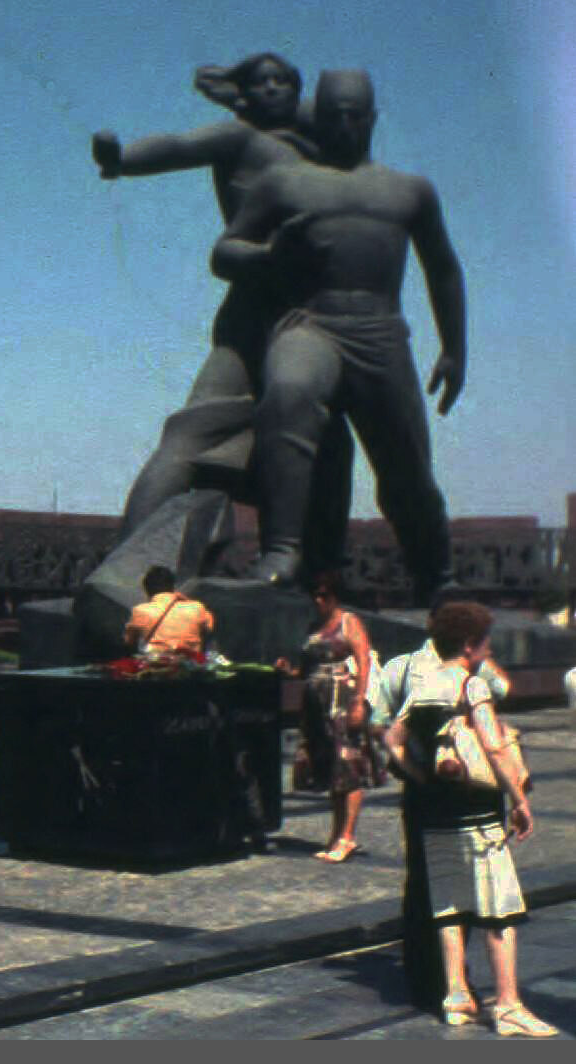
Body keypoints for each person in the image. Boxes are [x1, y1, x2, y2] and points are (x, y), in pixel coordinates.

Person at [93, 53, 354, 572]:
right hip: (254, 314)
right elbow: (178, 146)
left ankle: (318, 580)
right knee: (192, 434)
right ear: (245, 95)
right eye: (263, 82)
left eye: (285, 82)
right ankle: (126, 568)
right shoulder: (240, 139)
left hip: (313, 320)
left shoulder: (317, 149)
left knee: (328, 447)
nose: (276, 90)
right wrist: (121, 159)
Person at [212, 69, 462, 602]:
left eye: (354, 115)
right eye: (332, 116)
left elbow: (442, 269)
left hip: (381, 332)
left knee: (406, 467)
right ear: (316, 119)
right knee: (289, 395)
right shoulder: (284, 184)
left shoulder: (408, 190)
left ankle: (435, 573)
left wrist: (454, 348)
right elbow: (224, 252)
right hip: (311, 323)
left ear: (372, 118)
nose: (344, 125)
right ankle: (281, 549)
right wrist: (268, 257)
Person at [383, 602, 553, 1036]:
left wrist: (420, 776)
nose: (488, 648)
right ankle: (509, 1004)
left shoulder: (423, 684)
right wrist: (518, 798)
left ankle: (456, 995)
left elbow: (391, 738)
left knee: (449, 903)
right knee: (500, 910)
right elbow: (495, 747)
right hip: (475, 811)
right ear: (468, 644)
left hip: (436, 811)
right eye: (485, 641)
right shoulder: (470, 685)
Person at [283, 571, 381, 863]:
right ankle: (336, 834)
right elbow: (306, 668)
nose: (318, 600)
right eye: (315, 594)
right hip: (316, 705)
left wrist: (359, 702)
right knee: (332, 771)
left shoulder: (349, 622)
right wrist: (289, 671)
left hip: (341, 701)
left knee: (349, 767)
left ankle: (347, 836)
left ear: (335, 596)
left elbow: (364, 661)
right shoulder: (314, 626)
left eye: (324, 595)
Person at [123, 565, 214, 656]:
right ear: (172, 586)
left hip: (157, 664)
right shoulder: (197, 607)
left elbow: (129, 642)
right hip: (190, 664)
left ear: (147, 589)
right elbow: (209, 626)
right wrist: (186, 599)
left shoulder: (140, 610)